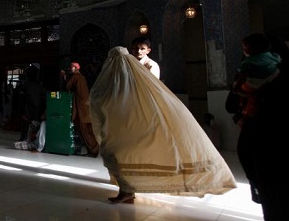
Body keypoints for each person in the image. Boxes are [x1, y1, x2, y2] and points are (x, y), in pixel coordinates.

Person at [89, 46, 236, 204]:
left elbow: (99, 98)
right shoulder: (128, 77)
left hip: (127, 127)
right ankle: (127, 190)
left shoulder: (133, 77)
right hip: (125, 126)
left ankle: (127, 190)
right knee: (120, 155)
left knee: (118, 154)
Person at [234, 33, 289, 220]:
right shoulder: (279, 66)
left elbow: (231, 102)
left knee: (272, 200)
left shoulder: (251, 70)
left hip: (263, 142)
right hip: (271, 141)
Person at [231, 33, 281, 126]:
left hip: (255, 87)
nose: (243, 50)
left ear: (254, 48)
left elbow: (237, 88)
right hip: (271, 80)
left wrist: (250, 94)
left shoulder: (248, 62)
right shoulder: (273, 56)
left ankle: (245, 117)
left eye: (245, 47)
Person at [60, 62, 98, 157]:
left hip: (81, 110)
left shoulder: (76, 77)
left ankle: (94, 150)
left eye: (71, 67)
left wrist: (64, 77)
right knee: (88, 130)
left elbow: (67, 86)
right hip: (85, 108)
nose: (70, 69)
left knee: (84, 131)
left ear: (76, 68)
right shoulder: (82, 77)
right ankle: (93, 150)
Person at [16, 65, 46, 142]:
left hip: (28, 109)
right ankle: (34, 139)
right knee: (35, 126)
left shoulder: (25, 86)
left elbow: (21, 98)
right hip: (37, 109)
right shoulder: (40, 87)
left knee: (26, 124)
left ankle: (24, 138)